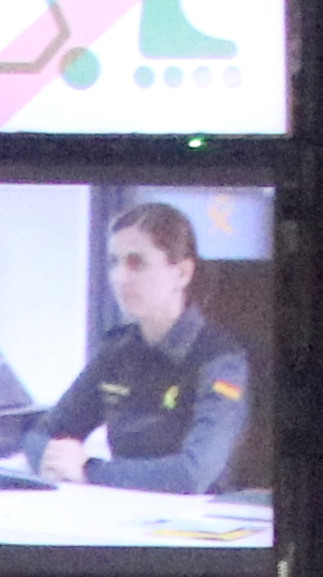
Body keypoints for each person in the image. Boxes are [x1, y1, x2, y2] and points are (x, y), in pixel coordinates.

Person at [36, 202, 254, 496]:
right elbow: (43, 433)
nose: (120, 277)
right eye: (114, 261)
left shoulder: (220, 360)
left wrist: (89, 470)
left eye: (137, 263)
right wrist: (53, 461)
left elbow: (193, 474)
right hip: (123, 511)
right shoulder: (117, 350)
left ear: (182, 274)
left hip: (197, 522)